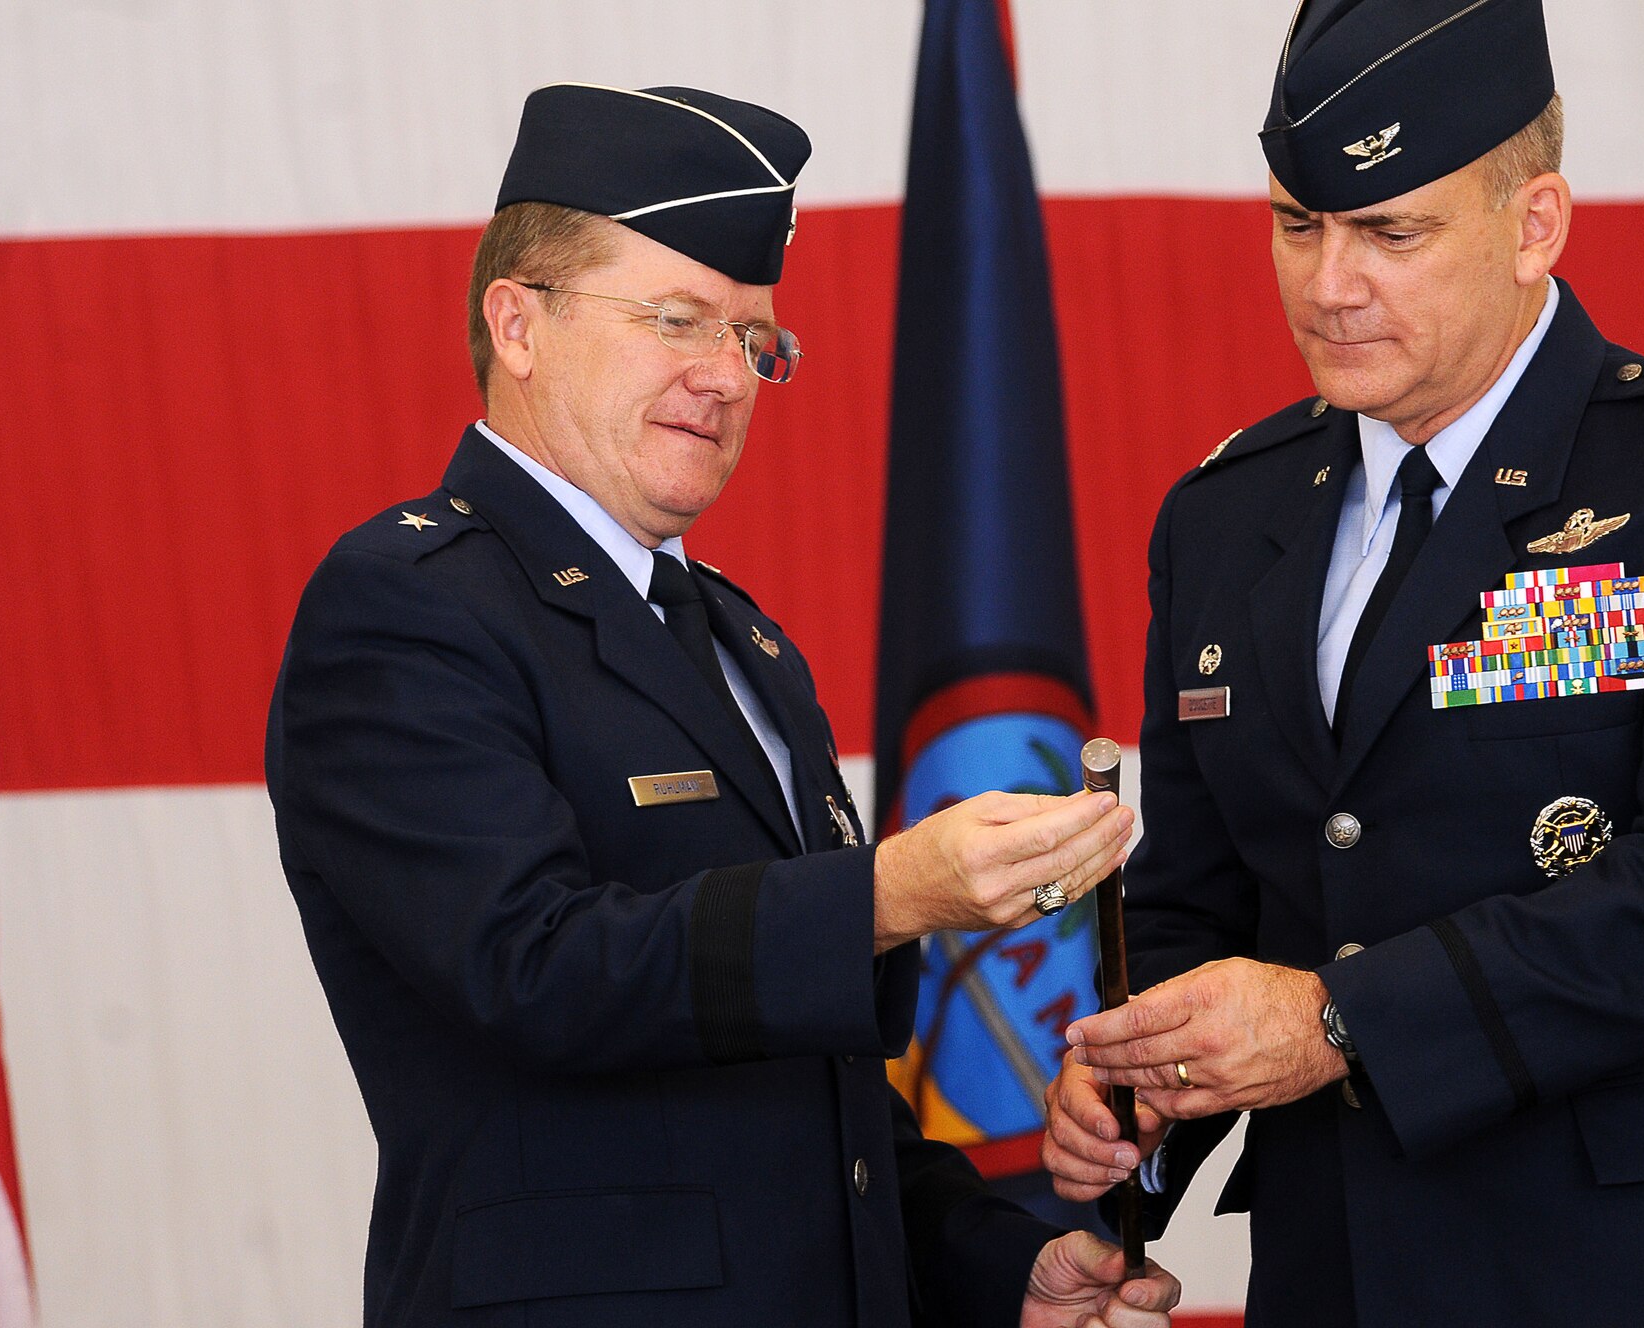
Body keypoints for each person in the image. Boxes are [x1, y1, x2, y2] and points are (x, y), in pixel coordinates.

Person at [265, 82, 1179, 1328]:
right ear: (516, 323)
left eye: (754, 341)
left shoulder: (743, 643)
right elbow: (532, 969)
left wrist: (989, 1263)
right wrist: (889, 893)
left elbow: (810, 1099)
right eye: (676, 320)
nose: (726, 377)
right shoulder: (406, 607)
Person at [1040, 2, 1644, 1324]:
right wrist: (1133, 1091)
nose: (1328, 284)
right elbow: (1211, 900)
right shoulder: (1220, 517)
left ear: (1534, 224)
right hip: (1350, 1273)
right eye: (1296, 224)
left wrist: (1333, 1020)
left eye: (1393, 232)